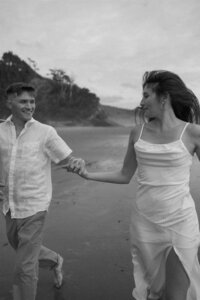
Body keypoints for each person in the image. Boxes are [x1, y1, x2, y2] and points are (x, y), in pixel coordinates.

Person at [67, 70, 200, 300]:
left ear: (164, 97)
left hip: (181, 221)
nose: (141, 102)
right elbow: (125, 174)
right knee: (153, 291)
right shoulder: (136, 133)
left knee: (176, 295)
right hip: (145, 222)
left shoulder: (193, 133)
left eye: (146, 95)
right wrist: (88, 174)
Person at [0, 82, 85, 300]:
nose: (30, 106)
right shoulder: (0, 131)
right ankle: (55, 260)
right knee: (19, 247)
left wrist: (76, 162)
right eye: (23, 101)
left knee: (24, 267)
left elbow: (67, 159)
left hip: (35, 206)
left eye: (32, 101)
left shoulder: (45, 132)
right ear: (9, 102)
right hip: (9, 204)